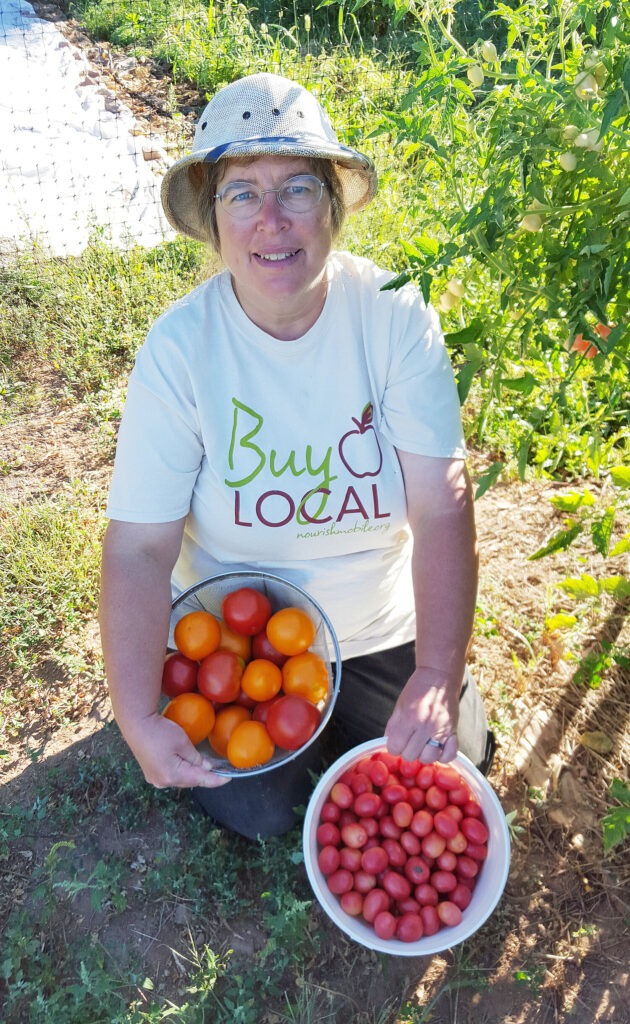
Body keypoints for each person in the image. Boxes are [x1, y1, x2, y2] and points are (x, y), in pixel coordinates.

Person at [99, 72, 495, 839]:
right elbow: (141, 547)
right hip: (240, 636)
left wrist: (437, 674)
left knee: (449, 762)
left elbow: (442, 502)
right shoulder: (181, 349)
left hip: (378, 623)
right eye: (242, 193)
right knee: (263, 813)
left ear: (335, 209)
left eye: (299, 189)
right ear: (213, 222)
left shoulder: (394, 316)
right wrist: (136, 714)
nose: (272, 220)